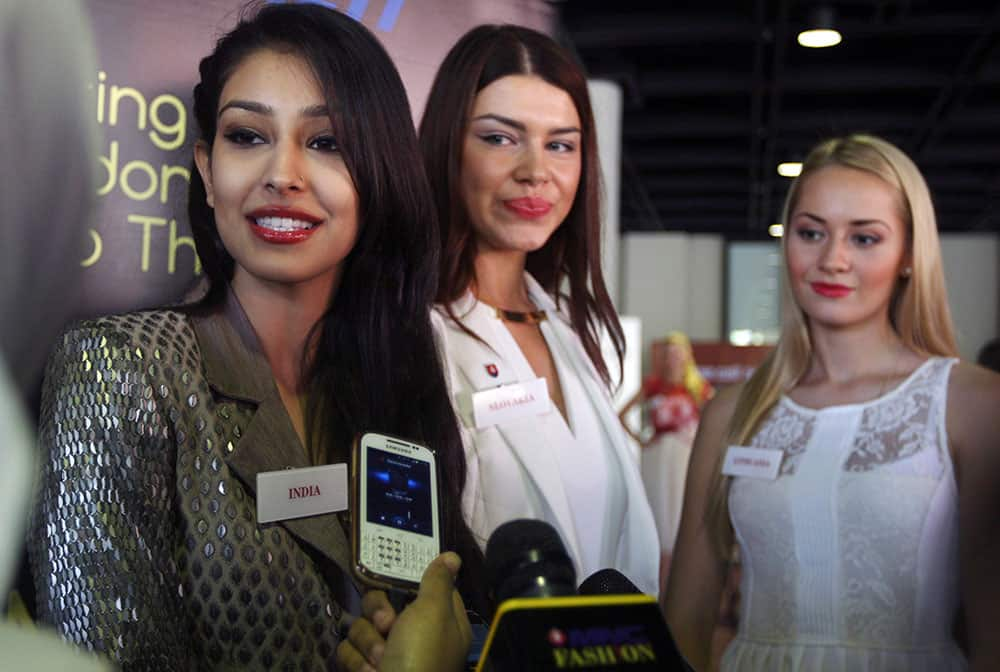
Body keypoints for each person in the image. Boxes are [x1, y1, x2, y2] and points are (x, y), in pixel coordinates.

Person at [29, 4, 486, 669]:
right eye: (247, 136)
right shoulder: (122, 368)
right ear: (208, 172)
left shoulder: (394, 382)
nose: (282, 174)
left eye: (325, 142)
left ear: (379, 177)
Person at [664, 134, 1000, 671]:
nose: (832, 259)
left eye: (864, 239)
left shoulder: (972, 404)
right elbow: (685, 620)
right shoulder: (731, 414)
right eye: (811, 233)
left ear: (909, 255)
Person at [421, 24, 659, 595]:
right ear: (447, 146)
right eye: (501, 138)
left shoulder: (568, 329)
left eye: (560, 144)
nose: (536, 171)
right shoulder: (414, 331)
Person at [619, 332, 713, 591]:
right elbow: (622, 414)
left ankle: (683, 587)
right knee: (659, 515)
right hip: (658, 458)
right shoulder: (653, 385)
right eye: (669, 353)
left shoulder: (697, 387)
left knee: (682, 513)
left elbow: (715, 420)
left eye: (677, 353)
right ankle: (658, 586)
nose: (673, 358)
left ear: (686, 356)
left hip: (685, 457)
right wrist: (642, 440)